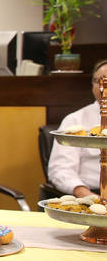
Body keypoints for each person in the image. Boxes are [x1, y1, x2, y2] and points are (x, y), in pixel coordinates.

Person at [48, 58, 107, 197]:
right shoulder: (75, 121)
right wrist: (87, 196)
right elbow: (60, 170)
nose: (102, 87)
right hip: (91, 194)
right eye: (97, 81)